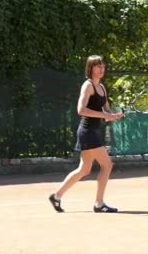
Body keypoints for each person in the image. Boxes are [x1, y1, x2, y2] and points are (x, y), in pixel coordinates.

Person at [48, 55, 124, 213]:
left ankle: (56, 196)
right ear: (90, 68)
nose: (101, 69)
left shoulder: (102, 88)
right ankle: (99, 203)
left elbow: (106, 110)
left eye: (103, 66)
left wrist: (113, 115)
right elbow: (81, 110)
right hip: (87, 131)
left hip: (94, 131)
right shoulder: (87, 86)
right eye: (98, 66)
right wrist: (105, 116)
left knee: (84, 169)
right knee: (107, 165)